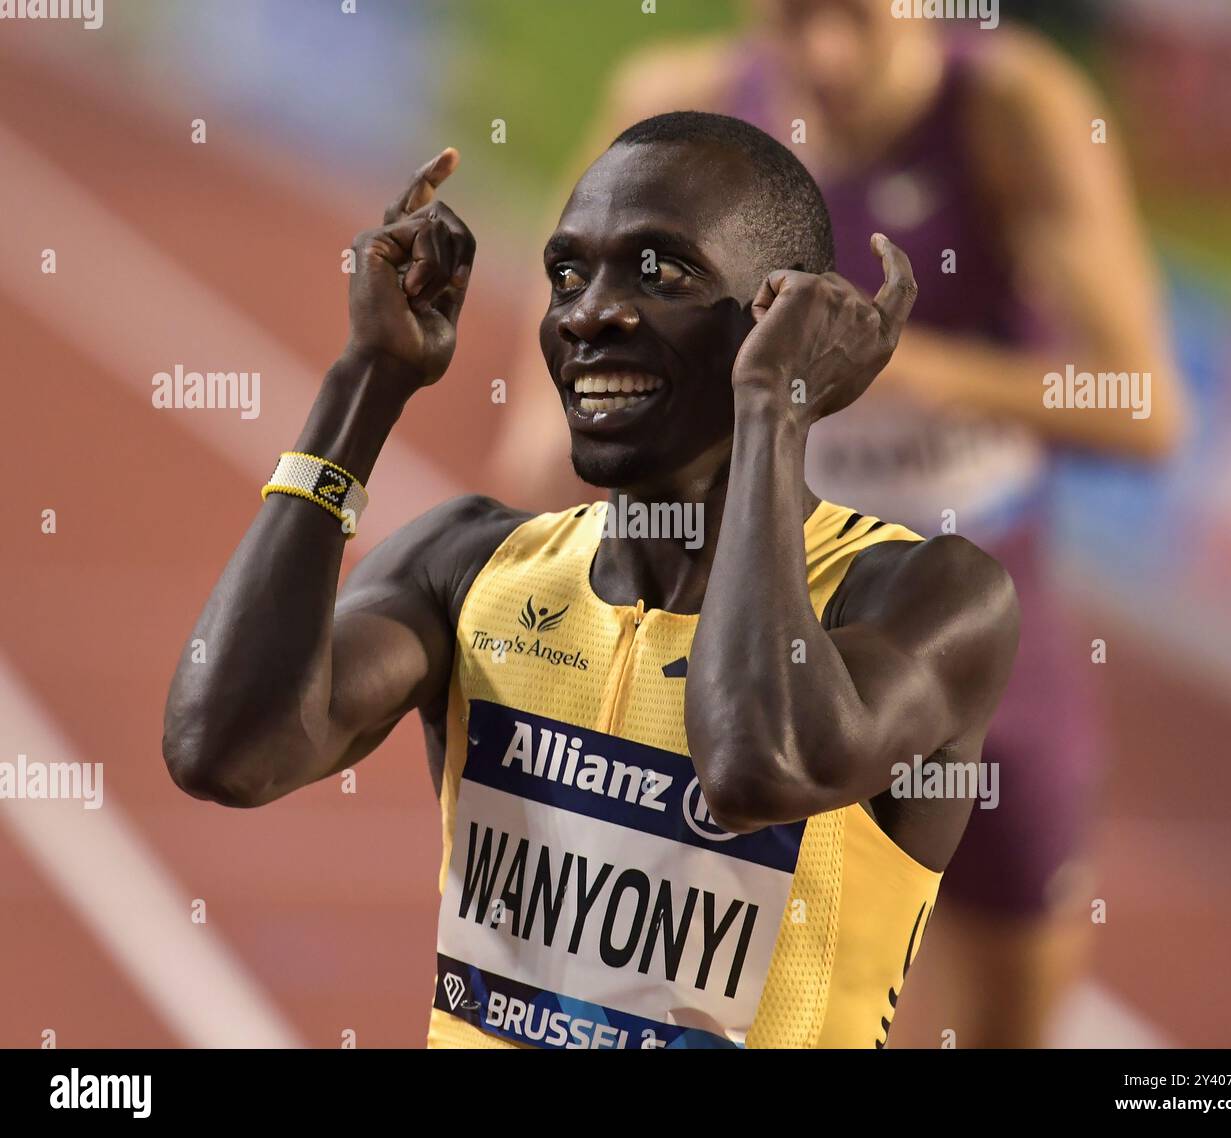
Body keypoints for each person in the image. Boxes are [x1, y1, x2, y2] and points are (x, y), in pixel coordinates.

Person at [162, 112, 1019, 1050]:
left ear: (785, 316)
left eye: (660, 272)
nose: (588, 312)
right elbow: (224, 749)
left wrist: (778, 405)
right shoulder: (470, 565)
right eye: (567, 275)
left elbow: (755, 766)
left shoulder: (928, 597)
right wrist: (366, 380)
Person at [485, 0, 1189, 1047]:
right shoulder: (682, 103)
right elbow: (549, 393)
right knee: (691, 1011)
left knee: (1008, 1020)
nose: (819, 53)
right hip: (743, 616)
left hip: (967, 625)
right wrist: (565, 434)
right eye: (789, 17)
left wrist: (894, 364)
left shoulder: (1010, 108)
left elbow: (1146, 408)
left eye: (852, 16)